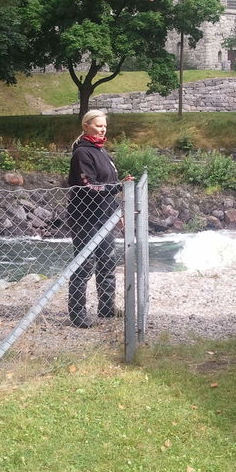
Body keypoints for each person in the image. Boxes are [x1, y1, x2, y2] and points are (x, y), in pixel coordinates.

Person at [67, 110, 130, 329]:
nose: (102, 129)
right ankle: (77, 313)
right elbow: (89, 186)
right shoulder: (82, 153)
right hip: (85, 217)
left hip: (105, 216)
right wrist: (118, 186)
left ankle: (106, 307)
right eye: (98, 126)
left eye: (104, 126)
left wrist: (117, 213)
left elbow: (108, 188)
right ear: (86, 126)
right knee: (84, 265)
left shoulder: (101, 151)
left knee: (107, 262)